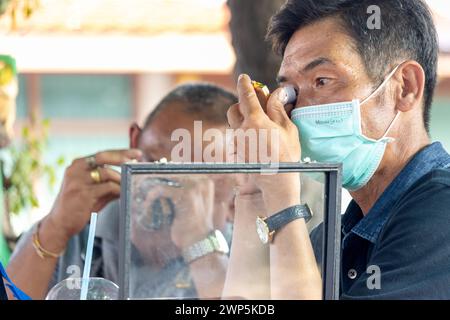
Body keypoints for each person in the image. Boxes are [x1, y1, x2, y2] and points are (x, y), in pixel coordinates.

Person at [223, 0, 450, 299]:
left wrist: (282, 189)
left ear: (405, 87)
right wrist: (253, 191)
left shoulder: (441, 213)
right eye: (292, 92)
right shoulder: (335, 237)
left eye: (322, 81)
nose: (298, 110)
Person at [8, 83, 238, 299]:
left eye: (200, 182)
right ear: (134, 142)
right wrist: (55, 229)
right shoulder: (78, 232)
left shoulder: (244, 255)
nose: (169, 191)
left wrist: (199, 241)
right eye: (159, 164)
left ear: (234, 196)